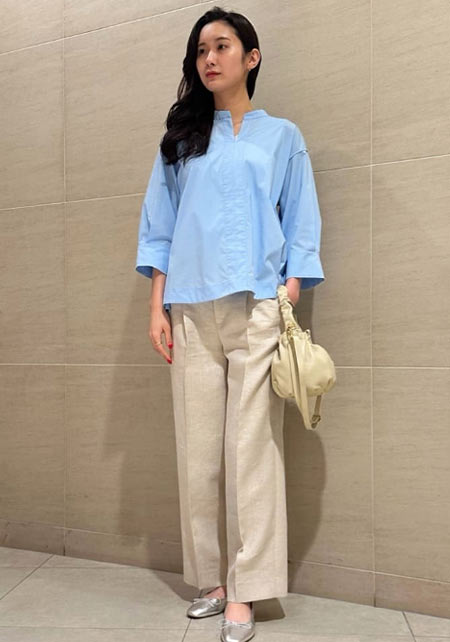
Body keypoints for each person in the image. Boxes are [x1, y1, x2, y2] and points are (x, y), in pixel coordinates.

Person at [135, 6, 325, 642]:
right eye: (200, 50)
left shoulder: (282, 137)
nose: (209, 59)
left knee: (252, 453)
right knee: (198, 454)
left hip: (256, 309)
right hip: (190, 308)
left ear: (252, 56)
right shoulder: (181, 140)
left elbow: (301, 222)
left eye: (221, 46)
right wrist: (157, 306)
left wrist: (287, 291)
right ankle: (211, 580)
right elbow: (160, 227)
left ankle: (246, 590)